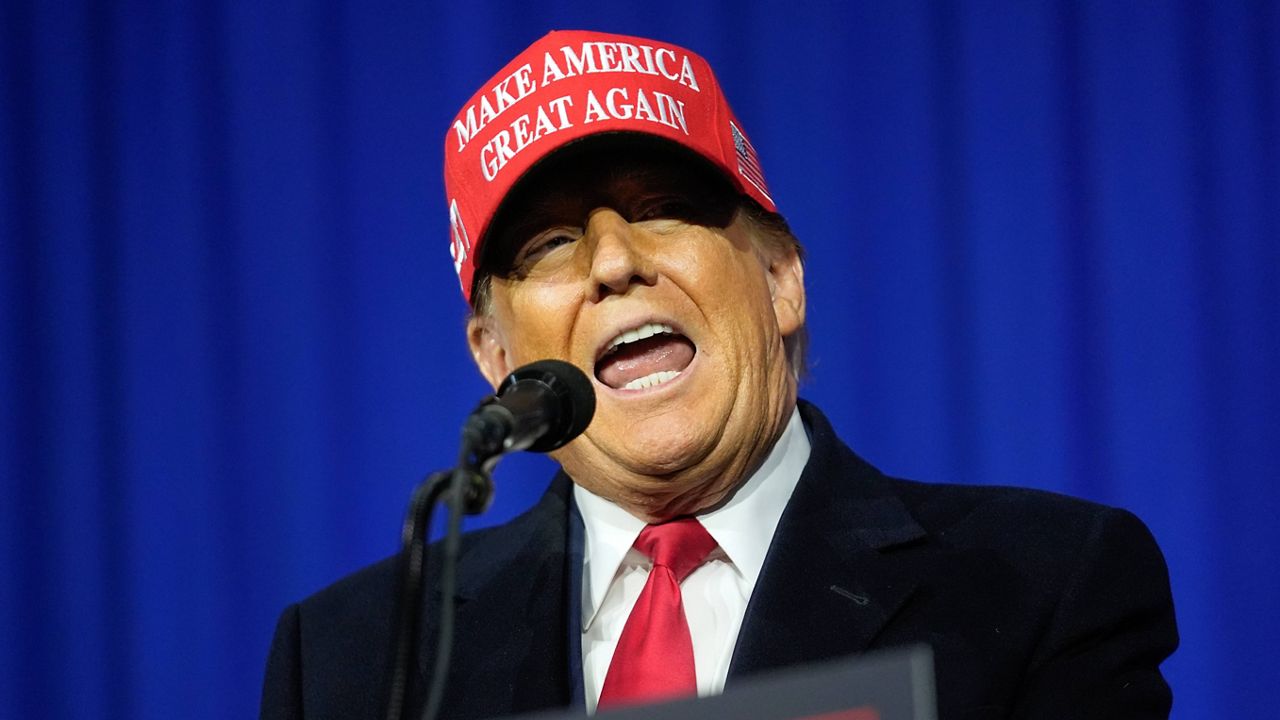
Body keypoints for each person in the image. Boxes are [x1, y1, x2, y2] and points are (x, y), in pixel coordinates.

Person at [260, 30, 1178, 720]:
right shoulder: (354, 658)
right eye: (549, 243)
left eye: (664, 210)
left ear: (781, 282)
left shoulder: (1040, 583)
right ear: (498, 359)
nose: (614, 262)